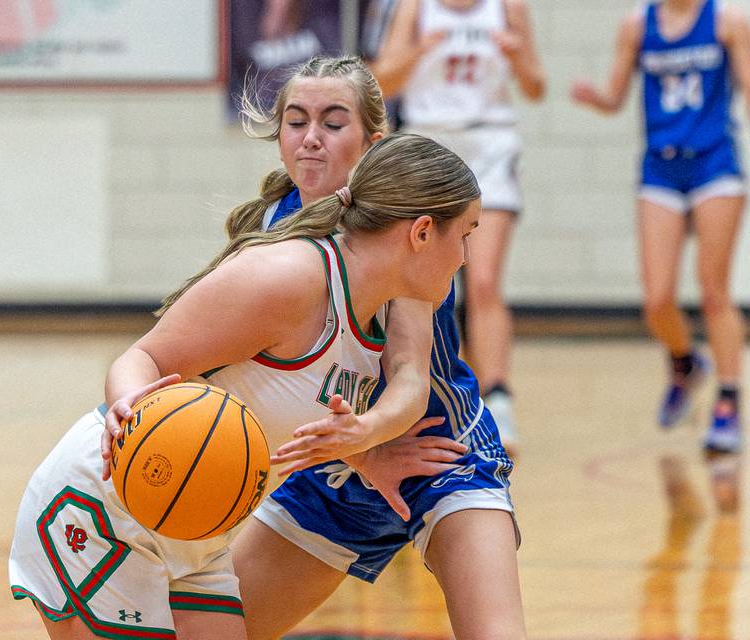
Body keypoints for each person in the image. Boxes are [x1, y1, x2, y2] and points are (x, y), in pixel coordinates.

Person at [8, 131, 482, 640]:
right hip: (107, 505)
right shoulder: (289, 277)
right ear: (423, 232)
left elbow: (281, 412)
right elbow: (143, 356)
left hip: (197, 527)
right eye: (467, 234)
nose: (465, 259)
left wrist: (363, 451)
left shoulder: (377, 310)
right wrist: (129, 406)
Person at [225, 56, 526, 640]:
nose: (311, 138)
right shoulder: (267, 231)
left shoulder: (401, 221)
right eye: (296, 120)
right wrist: (357, 454)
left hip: (436, 454)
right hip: (329, 472)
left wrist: (369, 435)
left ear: (372, 140)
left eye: (333, 122)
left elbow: (410, 374)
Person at [369, 0, 547, 457]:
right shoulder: (415, 8)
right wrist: (417, 51)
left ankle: (499, 398)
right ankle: (430, 395)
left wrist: (517, 56)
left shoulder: (508, 8)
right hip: (431, 142)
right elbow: (381, 82)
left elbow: (536, 86)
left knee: (483, 280)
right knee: (424, 284)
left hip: (490, 142)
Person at [570, 0, 750, 453]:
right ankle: (687, 363)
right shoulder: (637, 25)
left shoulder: (727, 20)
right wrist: (595, 97)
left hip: (715, 164)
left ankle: (728, 400)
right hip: (661, 168)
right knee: (657, 300)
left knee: (714, 290)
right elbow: (615, 97)